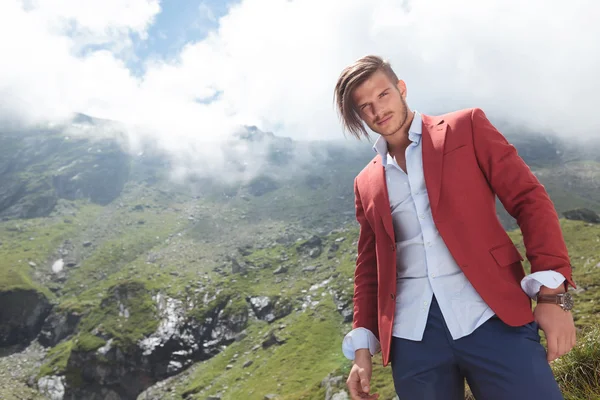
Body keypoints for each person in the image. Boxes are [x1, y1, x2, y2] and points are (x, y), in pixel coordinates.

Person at [333, 55, 577, 400]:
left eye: (383, 95)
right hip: (413, 339)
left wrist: (553, 297)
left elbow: (529, 200)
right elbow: (368, 269)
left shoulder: (467, 127)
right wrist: (362, 349)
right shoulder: (366, 182)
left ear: (401, 88)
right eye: (365, 107)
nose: (377, 110)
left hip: (493, 317)